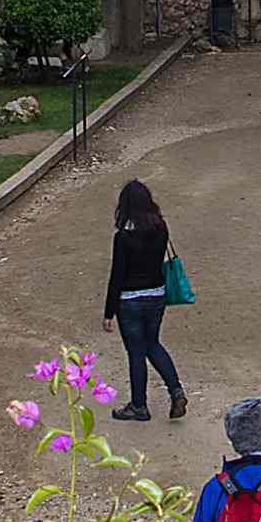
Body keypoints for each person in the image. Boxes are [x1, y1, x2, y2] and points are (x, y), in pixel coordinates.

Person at [101, 178, 186, 422]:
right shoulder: (161, 230)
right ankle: (175, 389)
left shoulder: (123, 238)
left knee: (136, 353)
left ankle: (139, 406)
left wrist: (108, 312)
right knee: (153, 344)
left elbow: (117, 275)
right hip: (156, 295)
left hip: (129, 301)